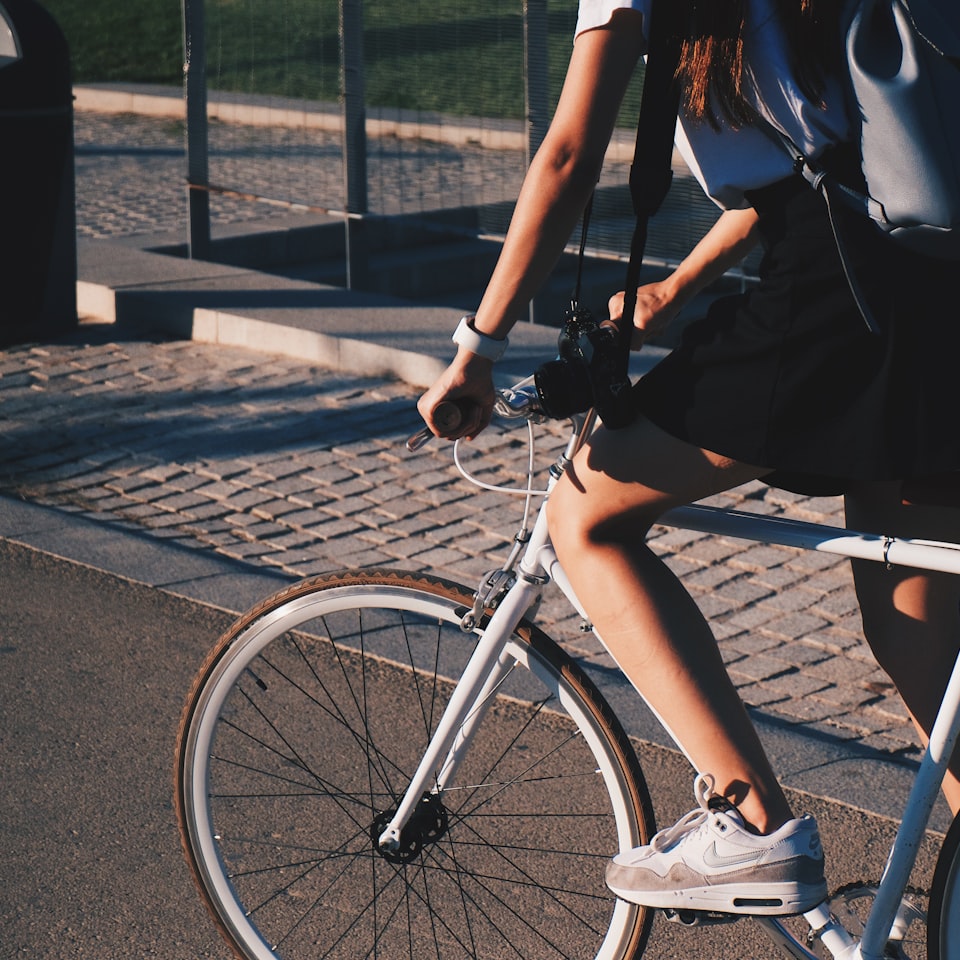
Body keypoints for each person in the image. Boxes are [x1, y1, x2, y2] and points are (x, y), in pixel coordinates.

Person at [417, 0, 960, 916]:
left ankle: (751, 831)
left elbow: (566, 158)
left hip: (835, 294)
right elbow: (826, 156)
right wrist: (675, 287)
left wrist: (477, 345)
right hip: (933, 278)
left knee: (583, 515)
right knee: (919, 638)